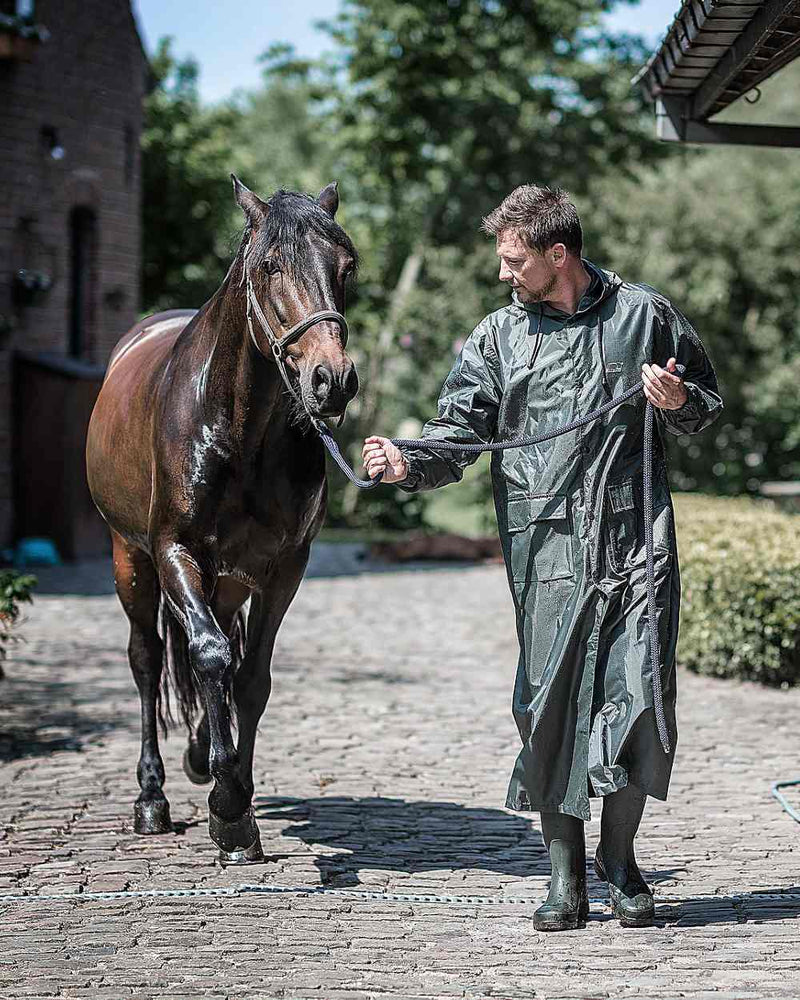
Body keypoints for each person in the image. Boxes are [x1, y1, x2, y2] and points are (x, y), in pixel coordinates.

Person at [362, 184, 722, 931]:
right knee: (549, 707)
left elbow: (707, 406)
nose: (504, 274)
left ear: (557, 254)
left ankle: (618, 861)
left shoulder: (643, 316)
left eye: (513, 260)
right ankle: (564, 879)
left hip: (637, 540)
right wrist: (409, 460)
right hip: (546, 545)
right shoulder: (499, 336)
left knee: (641, 701)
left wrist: (676, 401)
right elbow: (458, 426)